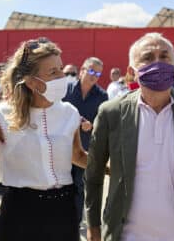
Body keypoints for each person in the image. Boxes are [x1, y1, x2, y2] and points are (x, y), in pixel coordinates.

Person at [86, 32, 174, 241]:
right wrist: (93, 227)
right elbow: (93, 176)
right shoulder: (111, 113)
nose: (158, 64)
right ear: (132, 71)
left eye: (164, 57)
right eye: (148, 58)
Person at [0, 37, 87, 241]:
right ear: (31, 81)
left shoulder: (70, 113)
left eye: (61, 69)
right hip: (20, 211)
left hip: (63, 209)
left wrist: (114, 168)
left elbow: (77, 155)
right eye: (53, 72)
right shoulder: (1, 116)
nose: (62, 76)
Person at [63, 57, 109, 226]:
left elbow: (104, 122)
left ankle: (74, 222)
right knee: (59, 183)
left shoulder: (102, 95)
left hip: (84, 149)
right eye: (91, 71)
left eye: (97, 73)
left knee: (79, 186)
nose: (94, 76)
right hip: (61, 146)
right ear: (82, 70)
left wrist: (93, 124)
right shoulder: (66, 89)